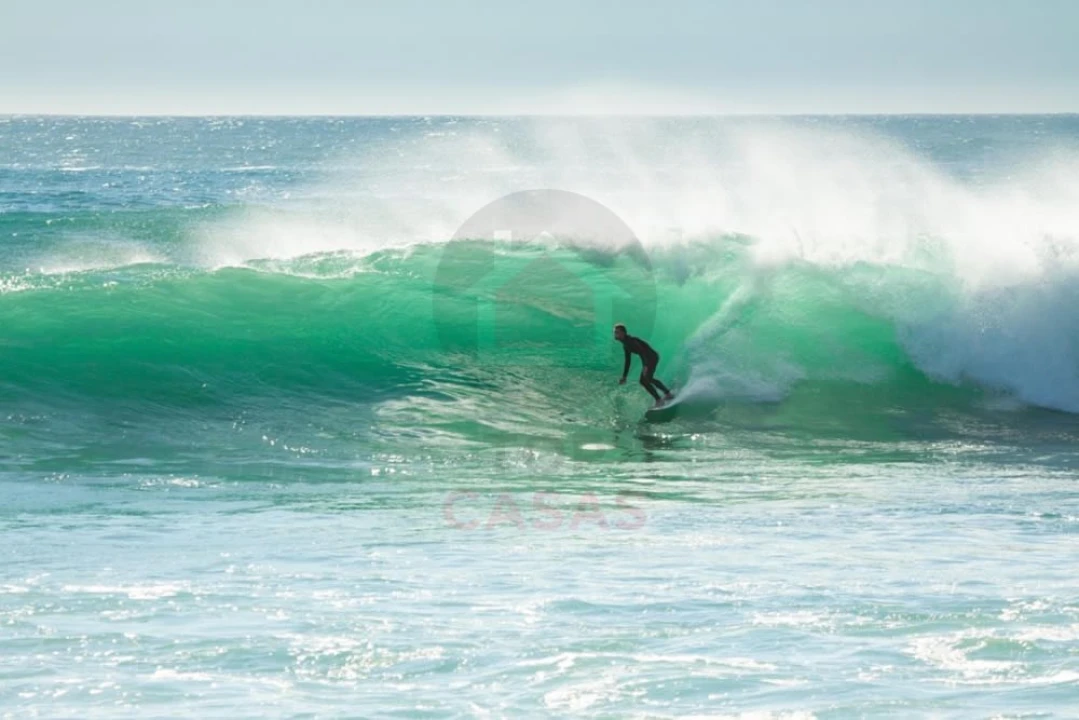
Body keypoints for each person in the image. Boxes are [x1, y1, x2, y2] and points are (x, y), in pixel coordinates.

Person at [614, 323, 674, 407]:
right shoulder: (625, 344)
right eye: (615, 332)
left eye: (617, 332)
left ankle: (660, 399)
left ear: (623, 333)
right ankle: (667, 394)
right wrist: (624, 376)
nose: (615, 334)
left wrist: (645, 365)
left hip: (651, 357)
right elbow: (628, 361)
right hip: (648, 358)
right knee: (647, 379)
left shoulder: (631, 341)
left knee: (645, 379)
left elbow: (642, 351)